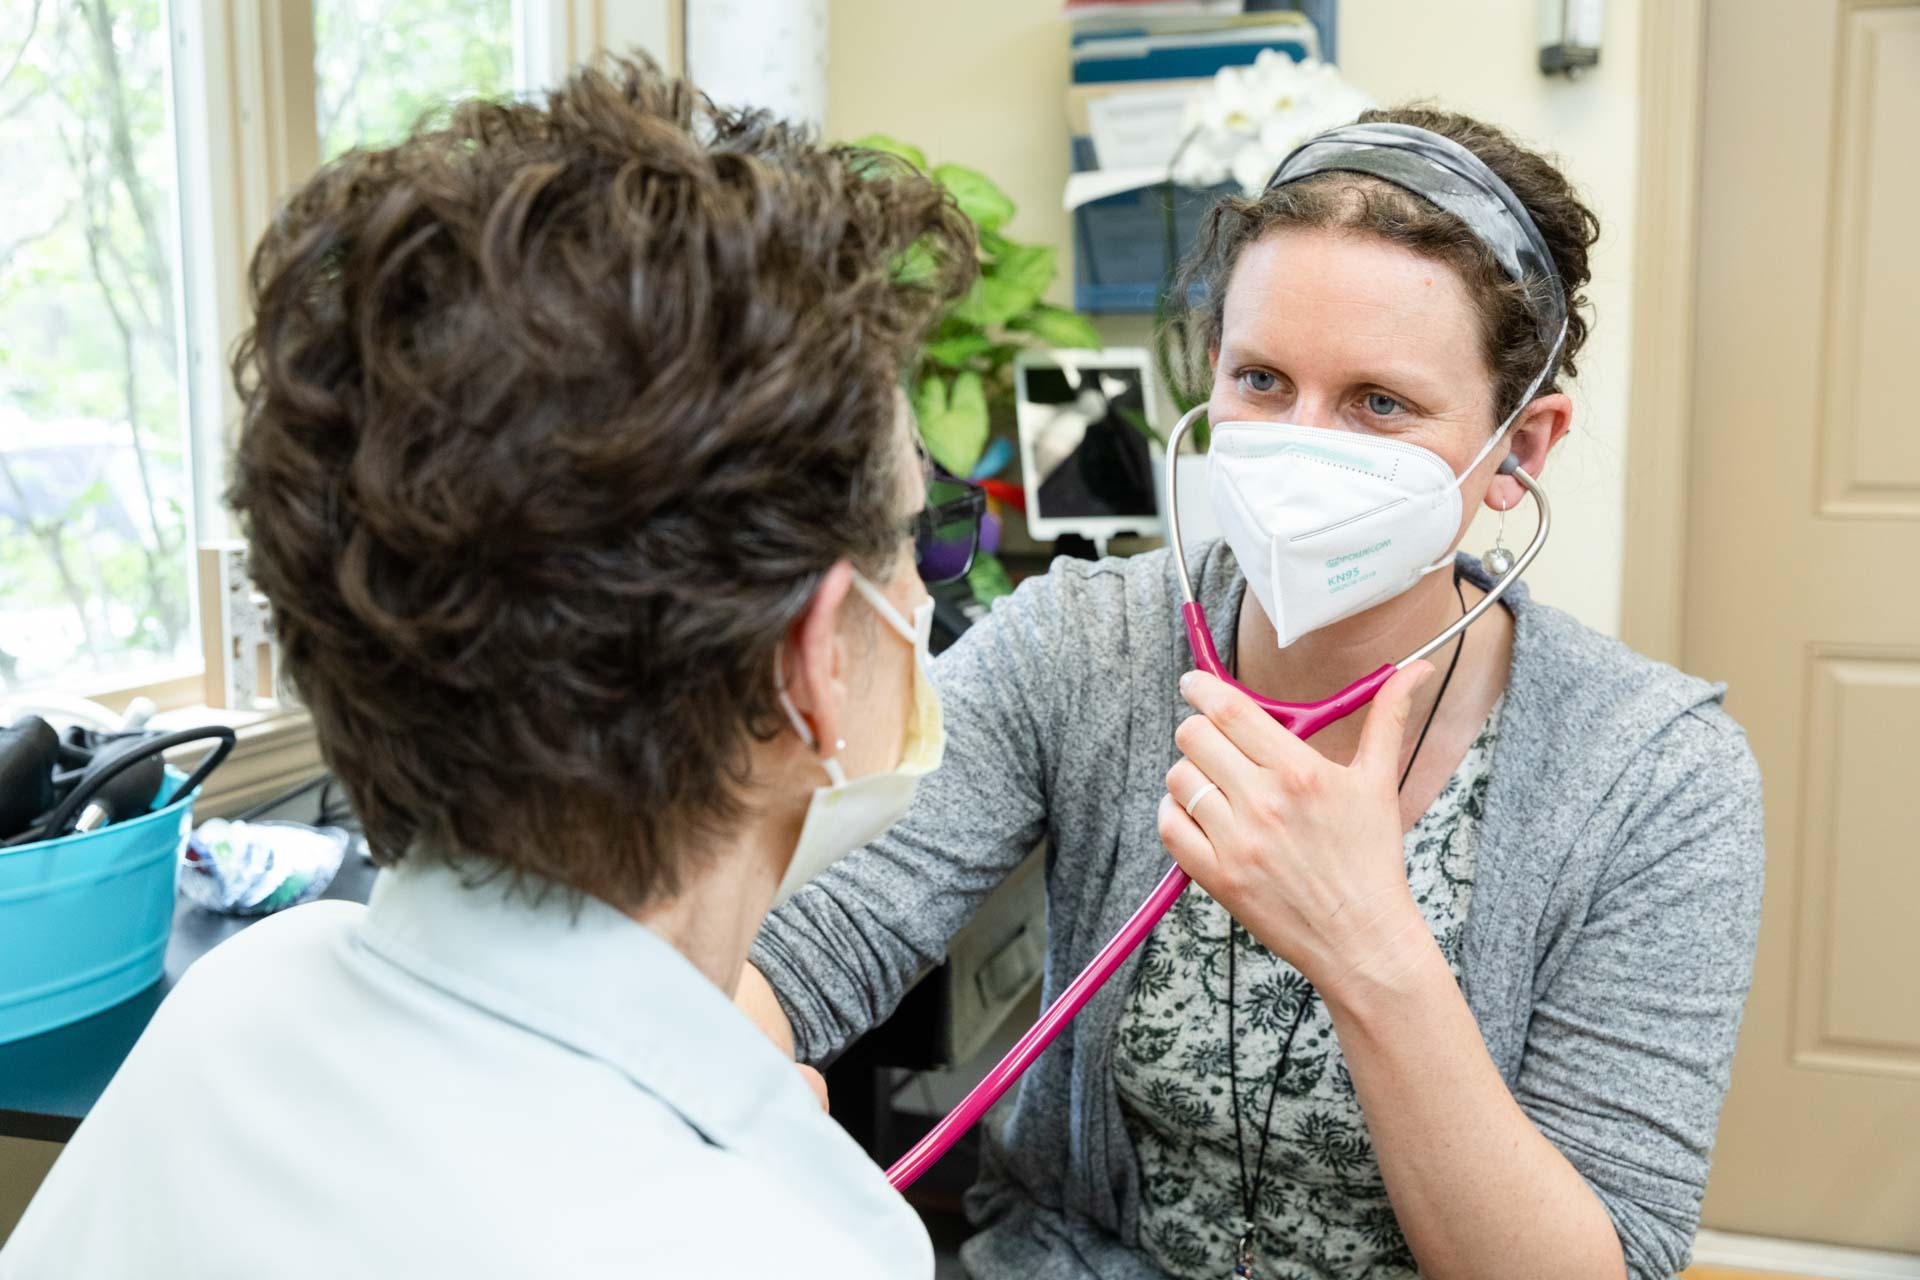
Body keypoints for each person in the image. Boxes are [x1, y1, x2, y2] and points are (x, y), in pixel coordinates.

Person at [738, 108, 1766, 1280]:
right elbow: (802, 943)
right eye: (1262, 380)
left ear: (1520, 448)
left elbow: (1603, 1265)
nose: (1301, 446)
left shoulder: (1660, 778)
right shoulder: (1088, 644)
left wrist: (1372, 948)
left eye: (1381, 403)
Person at [0, 57, 975, 1279]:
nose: (930, 584)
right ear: (810, 666)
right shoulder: (797, 1249)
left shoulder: (241, 1000)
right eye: (918, 531)